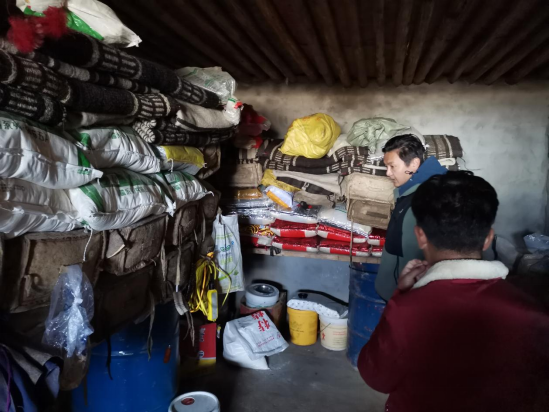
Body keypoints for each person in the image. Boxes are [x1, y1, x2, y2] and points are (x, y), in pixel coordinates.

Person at [358, 171, 550, 412]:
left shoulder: (408, 311)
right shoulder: (535, 313)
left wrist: (400, 297)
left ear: (420, 236)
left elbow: (375, 376)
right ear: (488, 238)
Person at [376, 135, 447, 301]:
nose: (388, 173)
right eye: (386, 167)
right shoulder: (409, 193)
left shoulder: (428, 199)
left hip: (408, 296)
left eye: (392, 166)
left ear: (414, 164)